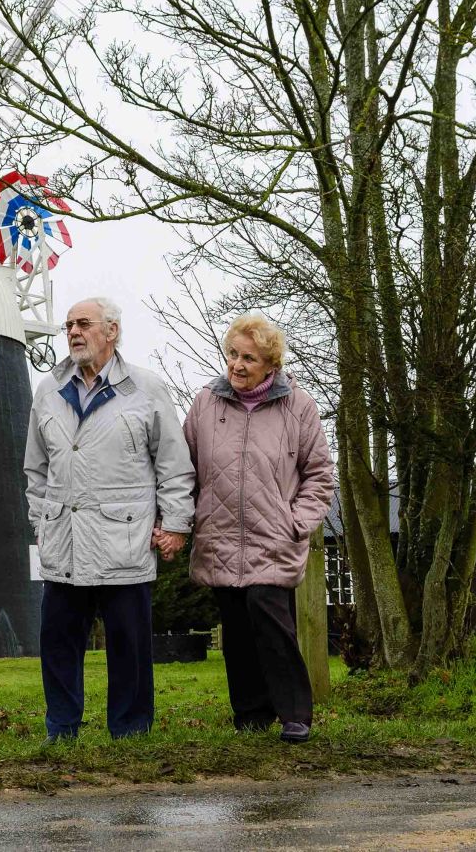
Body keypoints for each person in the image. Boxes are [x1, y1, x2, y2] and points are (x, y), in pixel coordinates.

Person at [24, 297, 195, 743]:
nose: (73, 332)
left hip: (124, 537)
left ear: (112, 331)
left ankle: (131, 730)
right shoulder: (48, 390)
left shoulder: (146, 388)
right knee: (58, 641)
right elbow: (35, 468)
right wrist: (41, 522)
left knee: (129, 645)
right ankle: (61, 729)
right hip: (64, 539)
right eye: (68, 326)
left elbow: (174, 466)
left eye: (83, 324)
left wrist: (176, 524)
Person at [179, 314, 334, 743]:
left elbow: (319, 472)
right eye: (233, 354)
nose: (237, 365)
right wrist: (181, 519)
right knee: (237, 630)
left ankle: (295, 714)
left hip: (273, 537)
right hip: (219, 533)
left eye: (249, 357)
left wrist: (297, 522)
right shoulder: (206, 402)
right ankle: (250, 714)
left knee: (271, 620)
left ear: (271, 364)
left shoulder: (297, 405)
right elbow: (183, 468)